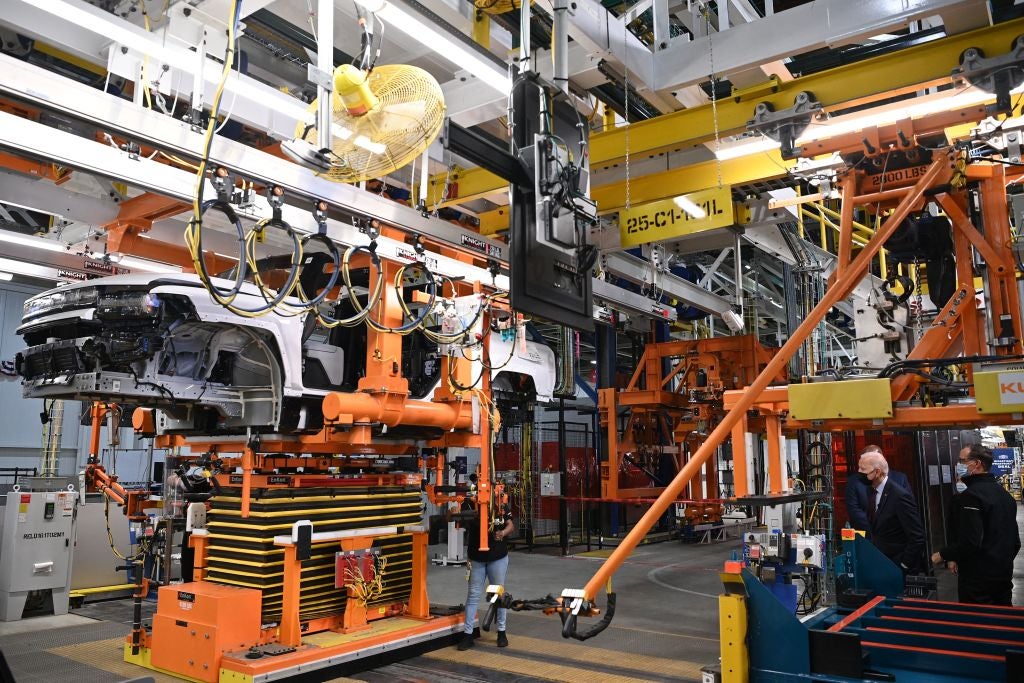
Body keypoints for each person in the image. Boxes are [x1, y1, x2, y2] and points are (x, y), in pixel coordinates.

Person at [931, 444, 1021, 605]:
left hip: (977, 581)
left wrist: (942, 555)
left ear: (977, 464)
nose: (958, 465)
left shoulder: (971, 497)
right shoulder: (1005, 495)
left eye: (962, 461)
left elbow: (969, 542)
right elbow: (1015, 541)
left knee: (978, 623)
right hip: (1003, 576)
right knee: (1004, 621)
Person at [457, 500, 514, 650]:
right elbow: (456, 521)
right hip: (476, 558)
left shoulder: (500, 500)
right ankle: (468, 635)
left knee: (498, 595)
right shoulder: (468, 504)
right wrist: (451, 514)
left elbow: (510, 525)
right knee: (473, 595)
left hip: (498, 557)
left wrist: (503, 533)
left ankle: (501, 632)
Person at [859, 451, 926, 573]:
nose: (859, 472)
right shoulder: (871, 491)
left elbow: (917, 536)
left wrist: (903, 564)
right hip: (881, 562)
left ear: (878, 472)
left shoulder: (900, 496)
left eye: (863, 469)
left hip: (897, 566)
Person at [846, 445, 913, 531]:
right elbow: (854, 510)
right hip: (867, 534)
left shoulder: (900, 479)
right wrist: (875, 528)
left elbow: (907, 507)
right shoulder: (854, 481)